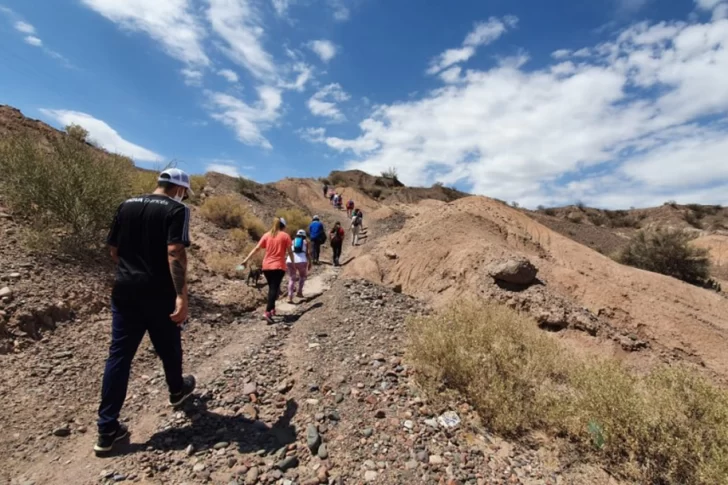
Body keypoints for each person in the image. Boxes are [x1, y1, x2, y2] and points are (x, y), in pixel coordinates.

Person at [96, 168, 197, 455]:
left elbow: (114, 251)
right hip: (158, 293)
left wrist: (132, 270)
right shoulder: (177, 209)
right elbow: (175, 250)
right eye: (185, 192)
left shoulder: (126, 204)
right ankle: (177, 390)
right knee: (169, 345)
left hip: (125, 291)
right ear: (179, 188)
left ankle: (106, 429)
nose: (184, 196)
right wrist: (181, 295)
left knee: (119, 356)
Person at [242, 217, 294, 323]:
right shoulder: (285, 236)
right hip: (278, 266)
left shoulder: (266, 235)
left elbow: (257, 248)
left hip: (266, 266)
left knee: (272, 288)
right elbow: (290, 252)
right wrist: (293, 264)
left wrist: (246, 259)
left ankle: (273, 309)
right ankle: (267, 312)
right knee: (274, 289)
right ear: (283, 226)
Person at [286, 230, 312, 303]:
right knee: (302, 276)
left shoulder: (292, 241)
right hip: (302, 261)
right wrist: (310, 262)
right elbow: (308, 253)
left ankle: (289, 297)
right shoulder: (306, 242)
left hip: (290, 260)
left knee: (292, 278)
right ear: (304, 236)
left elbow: (288, 251)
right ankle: (299, 292)